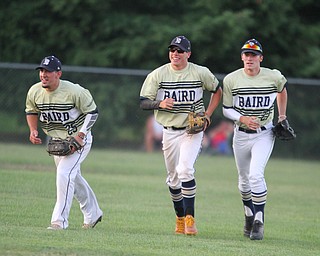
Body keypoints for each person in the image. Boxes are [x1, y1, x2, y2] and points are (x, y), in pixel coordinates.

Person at [139, 36, 222, 235]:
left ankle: (190, 219)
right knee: (173, 179)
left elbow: (217, 91)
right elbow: (143, 102)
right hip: (169, 132)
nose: (175, 54)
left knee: (185, 169)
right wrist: (159, 104)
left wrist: (208, 114)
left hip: (191, 131)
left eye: (180, 51)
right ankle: (179, 218)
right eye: (172, 50)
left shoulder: (200, 72)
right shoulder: (158, 74)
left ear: (188, 54)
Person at [25, 56, 103, 230]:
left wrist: (81, 135)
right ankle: (93, 212)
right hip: (57, 142)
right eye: (42, 70)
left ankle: (59, 222)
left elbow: (93, 113)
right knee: (72, 178)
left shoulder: (74, 91)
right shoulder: (35, 91)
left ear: (58, 73)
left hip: (79, 141)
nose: (43, 74)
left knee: (64, 174)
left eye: (48, 71)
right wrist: (33, 130)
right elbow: (31, 111)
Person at [222, 39, 289, 240]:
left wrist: (282, 116)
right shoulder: (232, 79)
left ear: (261, 57)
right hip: (241, 134)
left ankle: (259, 220)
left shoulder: (273, 76)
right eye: (246, 54)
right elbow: (226, 109)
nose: (249, 58)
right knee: (243, 180)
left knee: (255, 176)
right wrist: (241, 118)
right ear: (242, 57)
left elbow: (282, 90)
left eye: (253, 55)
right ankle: (249, 215)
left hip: (264, 133)